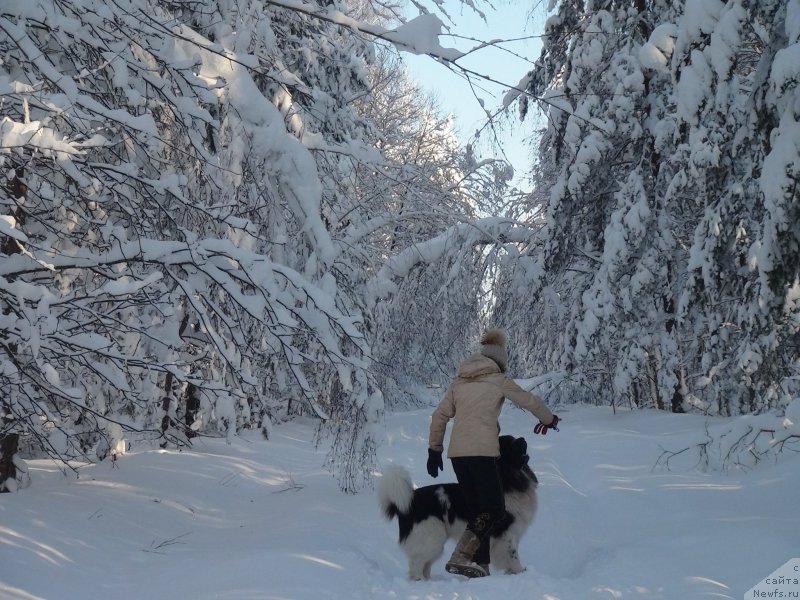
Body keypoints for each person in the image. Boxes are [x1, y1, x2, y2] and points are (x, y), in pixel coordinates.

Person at [427, 328, 560, 578]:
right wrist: (549, 418)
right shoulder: (497, 379)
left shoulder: (459, 383)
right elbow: (528, 400)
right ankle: (461, 556)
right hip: (483, 453)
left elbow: (439, 416)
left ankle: (480, 567)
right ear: (499, 360)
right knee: (495, 509)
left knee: (478, 511)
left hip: (458, 456)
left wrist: (434, 450)